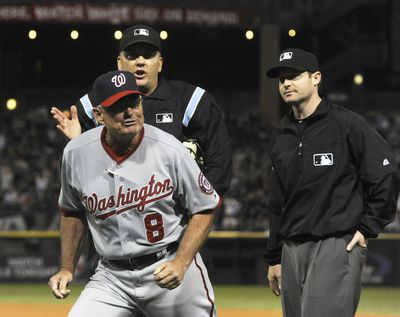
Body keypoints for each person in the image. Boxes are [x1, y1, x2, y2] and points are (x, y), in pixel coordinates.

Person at [51, 24, 232, 272]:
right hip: (119, 239)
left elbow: (220, 161)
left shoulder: (190, 101)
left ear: (160, 62)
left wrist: (195, 209)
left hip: (179, 235)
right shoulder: (95, 104)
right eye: (131, 55)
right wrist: (78, 141)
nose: (140, 62)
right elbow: (81, 176)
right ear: (119, 62)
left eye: (147, 55)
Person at [48, 70, 221, 317]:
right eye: (118, 106)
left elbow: (204, 206)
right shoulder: (76, 152)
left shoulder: (169, 148)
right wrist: (67, 267)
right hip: (111, 277)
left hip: (167, 264)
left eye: (134, 102)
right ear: (99, 115)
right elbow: (71, 211)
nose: (130, 112)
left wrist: (181, 262)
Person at [263, 48, 400, 317]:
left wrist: (368, 227)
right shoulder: (281, 134)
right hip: (290, 249)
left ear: (316, 78)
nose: (286, 83)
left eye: (293, 76)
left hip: (334, 244)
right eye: (281, 79)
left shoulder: (346, 124)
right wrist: (274, 257)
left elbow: (386, 172)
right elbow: (277, 202)